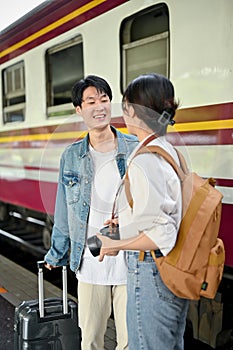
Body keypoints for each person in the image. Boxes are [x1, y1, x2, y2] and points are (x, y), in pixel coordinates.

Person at [44, 75, 138, 350]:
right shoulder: (71, 156)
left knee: (130, 343)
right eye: (91, 101)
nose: (99, 107)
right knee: (91, 341)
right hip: (90, 263)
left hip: (130, 260)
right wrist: (57, 253)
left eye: (105, 99)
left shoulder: (134, 147)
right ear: (79, 109)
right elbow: (63, 212)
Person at [97, 73, 190, 350]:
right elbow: (168, 209)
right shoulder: (167, 150)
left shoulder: (145, 160)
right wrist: (125, 220)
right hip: (170, 268)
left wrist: (115, 243)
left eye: (125, 106)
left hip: (151, 270)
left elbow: (162, 234)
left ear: (135, 112)